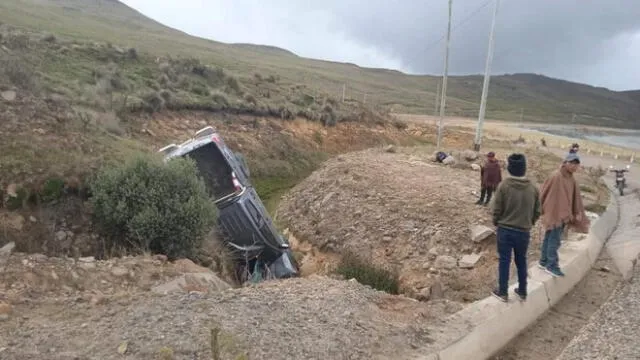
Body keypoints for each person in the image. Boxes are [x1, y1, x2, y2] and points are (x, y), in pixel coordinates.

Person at [491, 153, 541, 302]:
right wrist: (529, 223)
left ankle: (503, 291)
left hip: (505, 230)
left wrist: (496, 221)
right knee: (521, 260)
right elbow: (538, 211)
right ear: (524, 169)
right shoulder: (533, 188)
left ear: (510, 168)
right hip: (523, 231)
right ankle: (523, 290)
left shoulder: (504, 186)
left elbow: (496, 209)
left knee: (504, 261)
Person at [538, 152, 590, 277]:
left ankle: (543, 261)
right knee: (554, 239)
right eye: (571, 163)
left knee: (550, 237)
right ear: (565, 163)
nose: (574, 166)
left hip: (562, 213)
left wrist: (575, 211)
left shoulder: (571, 178)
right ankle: (551, 265)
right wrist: (540, 208)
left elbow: (573, 197)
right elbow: (544, 192)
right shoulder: (556, 176)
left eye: (576, 164)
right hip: (554, 212)